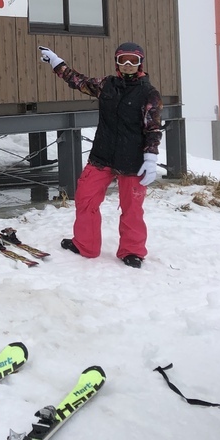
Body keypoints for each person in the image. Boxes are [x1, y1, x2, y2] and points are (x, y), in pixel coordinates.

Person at [38, 41, 163, 269]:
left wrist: (151, 157)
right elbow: (79, 81)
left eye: (132, 60)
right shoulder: (107, 85)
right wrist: (57, 63)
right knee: (85, 198)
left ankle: (132, 251)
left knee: (132, 208)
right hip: (102, 155)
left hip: (132, 159)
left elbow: (153, 128)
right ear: (116, 62)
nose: (127, 64)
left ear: (140, 63)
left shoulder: (149, 93)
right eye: (122, 59)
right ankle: (85, 244)